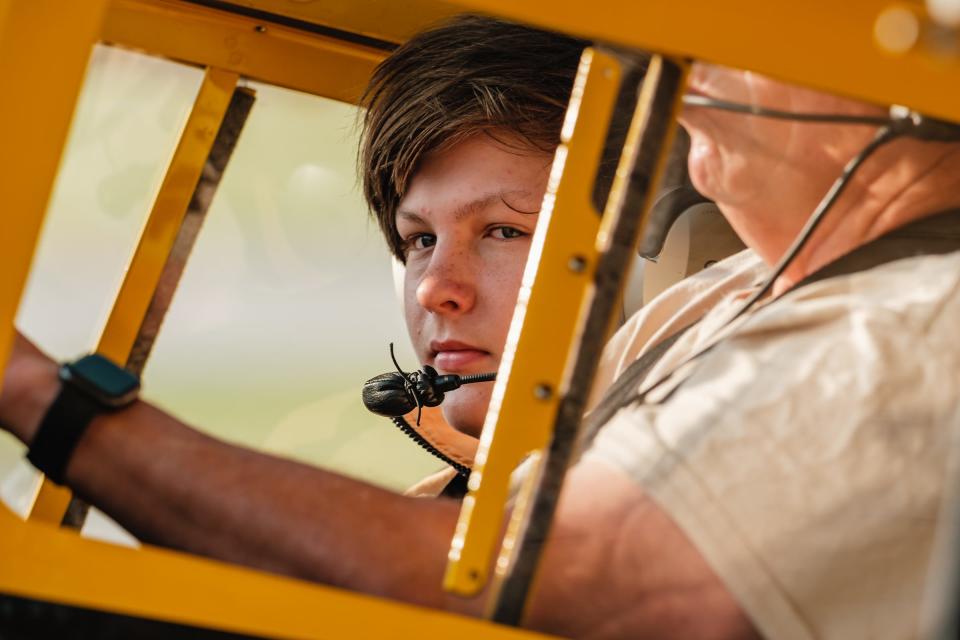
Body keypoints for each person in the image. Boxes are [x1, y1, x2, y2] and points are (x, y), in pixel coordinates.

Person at [2, 16, 959, 640]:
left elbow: (563, 584)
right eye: (417, 242)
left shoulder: (920, 321)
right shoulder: (714, 306)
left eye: (505, 232)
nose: (436, 291)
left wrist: (44, 398)